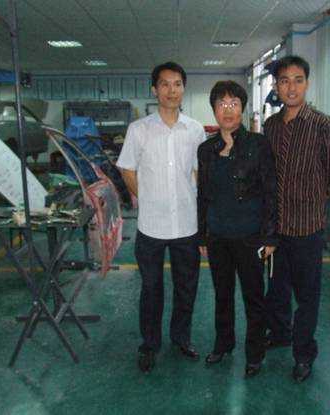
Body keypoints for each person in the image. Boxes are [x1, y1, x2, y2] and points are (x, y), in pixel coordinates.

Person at [117, 62, 205, 373]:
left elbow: (199, 171)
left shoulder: (194, 130)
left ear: (183, 89)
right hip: (151, 226)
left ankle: (181, 338)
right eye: (165, 84)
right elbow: (126, 168)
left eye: (177, 84)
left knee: (186, 287)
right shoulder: (139, 129)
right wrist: (146, 197)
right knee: (151, 289)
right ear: (154, 90)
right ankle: (150, 344)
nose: (171, 90)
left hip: (187, 224)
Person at [263, 56, 330, 382]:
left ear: (307, 84)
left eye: (298, 80)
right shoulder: (270, 126)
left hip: (307, 228)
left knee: (307, 296)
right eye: (284, 81)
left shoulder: (324, 126)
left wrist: (309, 201)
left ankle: (303, 354)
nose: (291, 87)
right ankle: (280, 333)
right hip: (275, 228)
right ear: (277, 86)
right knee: (276, 289)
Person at [197, 80, 278, 378]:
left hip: (250, 237)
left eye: (233, 103)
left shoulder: (258, 145)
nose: (228, 110)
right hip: (218, 237)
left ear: (242, 108)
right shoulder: (206, 149)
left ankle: (255, 353)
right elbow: (203, 195)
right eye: (221, 104)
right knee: (222, 295)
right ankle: (223, 344)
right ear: (214, 110)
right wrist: (202, 234)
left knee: (254, 298)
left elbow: (271, 192)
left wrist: (270, 236)